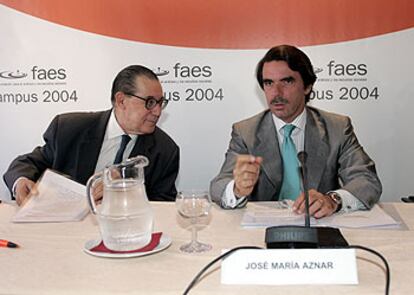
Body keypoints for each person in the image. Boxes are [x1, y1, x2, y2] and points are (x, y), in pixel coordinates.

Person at [210, 45, 381, 218]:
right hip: (263, 229)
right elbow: (218, 186)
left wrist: (333, 200)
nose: (276, 93)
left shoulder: (337, 128)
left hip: (319, 225)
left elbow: (367, 180)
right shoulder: (246, 132)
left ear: (307, 86)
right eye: (269, 83)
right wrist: (237, 189)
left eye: (287, 81)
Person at [4, 65, 179, 205]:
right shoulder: (69, 129)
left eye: (160, 103)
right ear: (121, 100)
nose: (157, 111)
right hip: (65, 228)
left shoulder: (165, 150)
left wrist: (122, 194)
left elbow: (162, 207)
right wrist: (21, 181)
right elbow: (25, 164)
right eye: (150, 102)